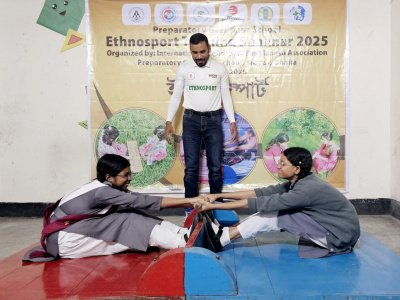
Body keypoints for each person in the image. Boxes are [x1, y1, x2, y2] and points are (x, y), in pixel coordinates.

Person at [196, 147, 360, 258]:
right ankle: (225, 233)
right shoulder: (299, 181)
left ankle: (221, 239)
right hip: (336, 227)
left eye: (283, 164)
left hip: (339, 236)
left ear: (296, 169)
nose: (278, 166)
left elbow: (261, 203)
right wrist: (217, 195)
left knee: (276, 214)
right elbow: (261, 192)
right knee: (272, 208)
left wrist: (213, 205)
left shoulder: (306, 189)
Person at [30, 154, 199, 260]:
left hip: (65, 234)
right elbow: (143, 201)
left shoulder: (101, 185)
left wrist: (190, 201)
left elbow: (136, 199)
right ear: (109, 177)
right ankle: (179, 242)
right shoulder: (102, 192)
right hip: (64, 241)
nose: (130, 178)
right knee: (126, 220)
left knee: (128, 212)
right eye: (126, 175)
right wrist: (191, 201)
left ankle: (181, 233)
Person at [165, 33, 238, 216]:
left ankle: (216, 205)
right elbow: (176, 96)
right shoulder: (183, 68)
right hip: (191, 121)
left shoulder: (220, 68)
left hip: (214, 121)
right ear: (190, 51)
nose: (199, 56)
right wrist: (168, 121)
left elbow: (225, 96)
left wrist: (232, 121)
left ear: (209, 49)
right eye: (194, 52)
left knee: (215, 167)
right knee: (191, 168)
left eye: (202, 52)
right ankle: (191, 208)